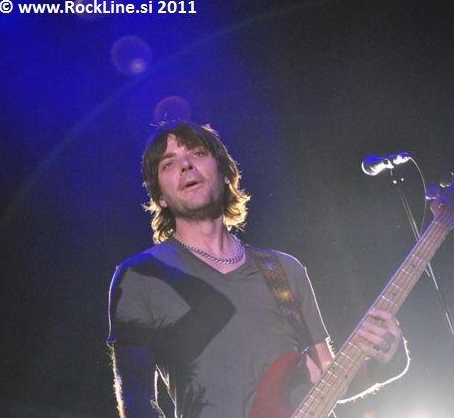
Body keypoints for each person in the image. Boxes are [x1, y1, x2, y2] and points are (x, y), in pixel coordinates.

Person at [107, 120, 409, 418]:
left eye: (197, 153)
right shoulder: (142, 276)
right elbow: (137, 402)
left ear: (223, 171)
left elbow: (326, 379)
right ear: (159, 195)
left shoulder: (284, 269)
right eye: (169, 164)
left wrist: (387, 363)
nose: (186, 166)